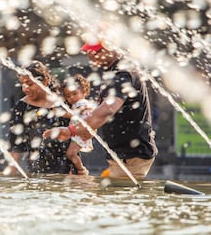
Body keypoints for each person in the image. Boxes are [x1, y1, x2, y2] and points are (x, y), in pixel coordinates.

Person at [43, 41, 158, 179]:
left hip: (131, 156)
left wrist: (71, 131)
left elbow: (107, 110)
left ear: (111, 47)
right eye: (89, 52)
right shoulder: (115, 71)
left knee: (121, 198)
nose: (91, 57)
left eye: (96, 52)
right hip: (123, 154)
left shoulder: (123, 74)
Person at [8, 60, 74, 174]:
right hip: (38, 169)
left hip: (70, 168)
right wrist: (11, 169)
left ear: (44, 80)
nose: (25, 88)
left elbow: (81, 126)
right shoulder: (21, 107)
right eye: (22, 84)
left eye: (29, 83)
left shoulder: (64, 102)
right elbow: (15, 142)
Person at [61, 74, 95, 175]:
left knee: (70, 153)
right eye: (67, 96)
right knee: (71, 153)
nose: (71, 97)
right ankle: (79, 169)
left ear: (84, 91)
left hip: (81, 133)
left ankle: (81, 169)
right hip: (78, 132)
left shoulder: (82, 103)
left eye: (74, 93)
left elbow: (74, 114)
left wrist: (60, 113)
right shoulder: (77, 104)